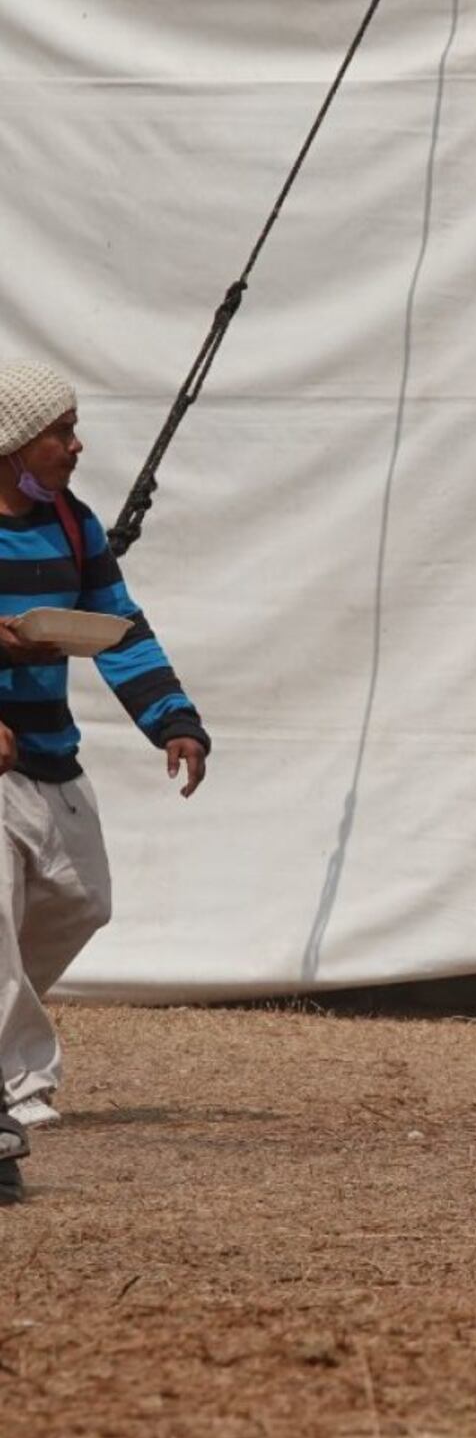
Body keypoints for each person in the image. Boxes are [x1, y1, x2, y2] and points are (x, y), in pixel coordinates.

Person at [0, 361, 209, 1203]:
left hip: (51, 754)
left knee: (83, 900)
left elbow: (120, 631)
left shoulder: (74, 528)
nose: (76, 446)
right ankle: (20, 1085)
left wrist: (176, 721)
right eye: (62, 431)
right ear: (13, 440)